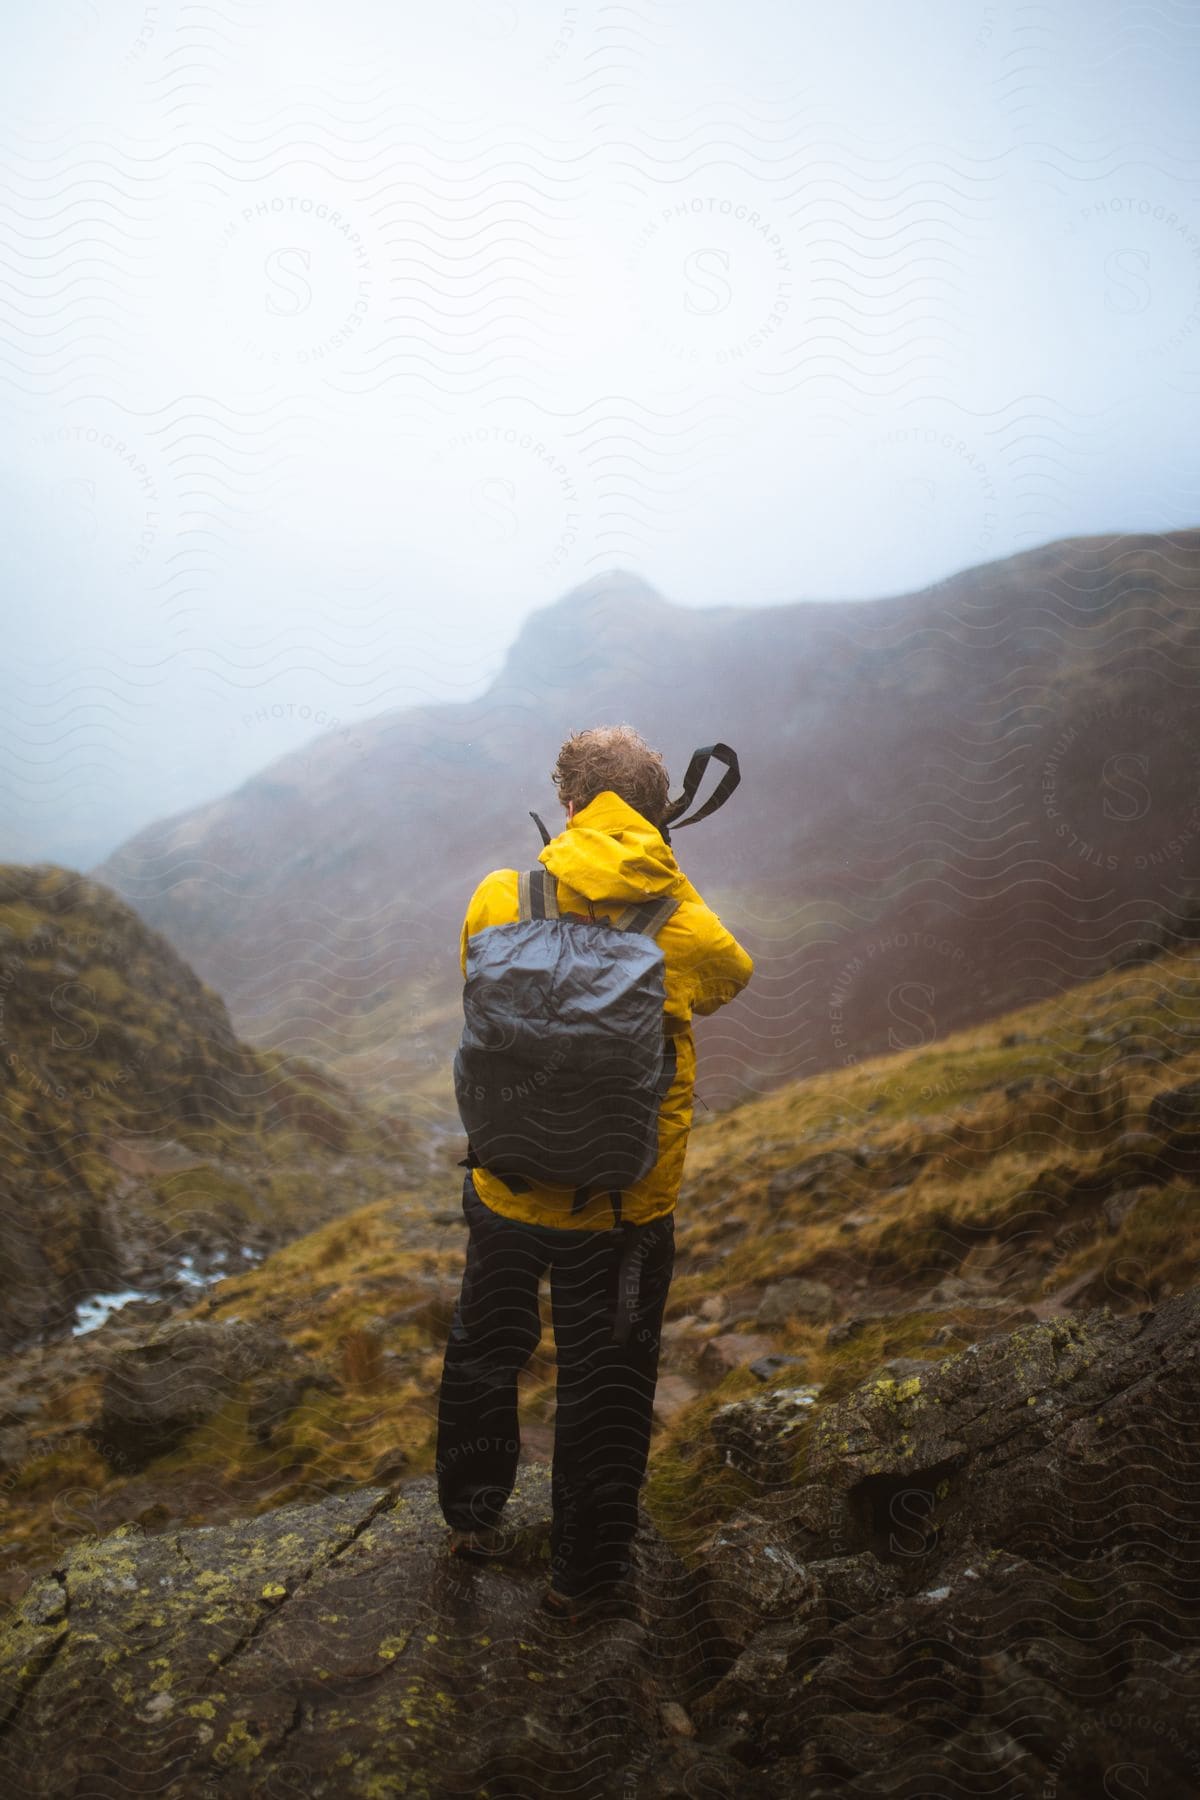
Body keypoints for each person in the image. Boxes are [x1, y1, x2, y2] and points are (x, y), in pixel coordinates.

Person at [435, 724, 754, 1619]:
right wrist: (661, 878)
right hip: (624, 1208)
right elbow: (732, 976)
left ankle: (471, 1518)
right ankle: (581, 1583)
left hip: (504, 1185)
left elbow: (476, 978)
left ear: (570, 806)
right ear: (658, 823)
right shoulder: (683, 926)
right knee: (605, 1388)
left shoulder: (502, 894)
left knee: (485, 1351)